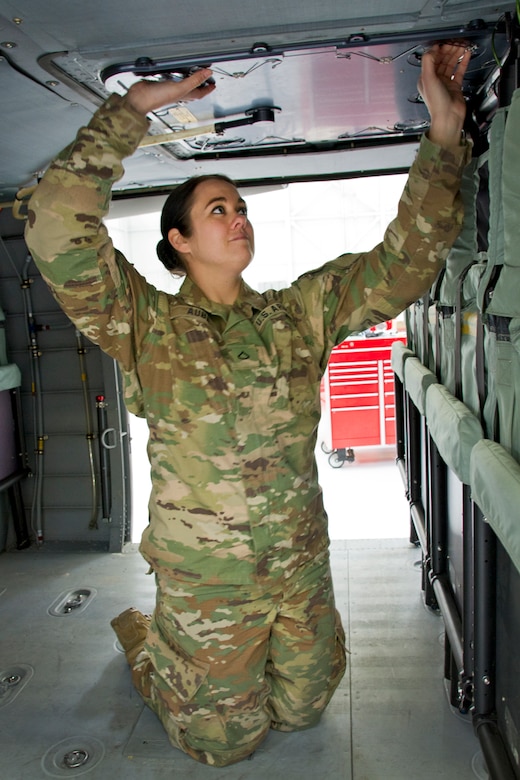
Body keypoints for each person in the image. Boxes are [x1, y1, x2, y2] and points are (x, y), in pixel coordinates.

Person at [25, 43, 471, 767]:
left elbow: (404, 263)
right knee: (222, 745)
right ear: (178, 240)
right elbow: (52, 222)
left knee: (304, 709)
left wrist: (444, 136)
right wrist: (135, 110)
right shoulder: (148, 325)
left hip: (297, 564)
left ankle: (219, 667)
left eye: (239, 207)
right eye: (216, 209)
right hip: (210, 585)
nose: (238, 218)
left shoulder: (298, 314)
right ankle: (151, 644)